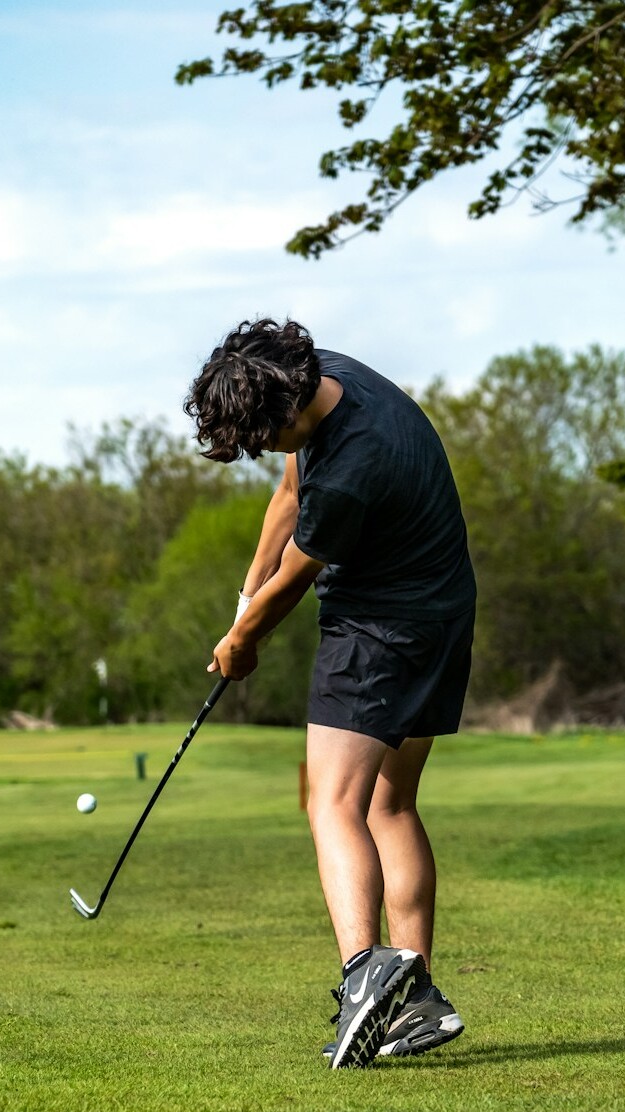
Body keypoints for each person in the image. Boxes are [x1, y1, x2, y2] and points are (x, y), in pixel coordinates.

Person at [184, 317, 476, 1069]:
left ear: (284, 408)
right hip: (445, 615)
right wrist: (245, 591)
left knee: (329, 799)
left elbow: (300, 574)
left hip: (382, 629)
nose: (263, 453)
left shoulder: (354, 464)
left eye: (259, 437)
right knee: (390, 804)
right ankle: (416, 1003)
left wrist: (243, 640)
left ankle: (363, 971)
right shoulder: (320, 376)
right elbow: (290, 489)